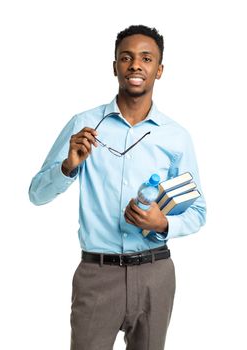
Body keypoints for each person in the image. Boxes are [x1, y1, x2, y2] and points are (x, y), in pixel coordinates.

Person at [29, 25, 206, 350]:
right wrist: (69, 167)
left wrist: (162, 223)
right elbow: (36, 194)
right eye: (126, 57)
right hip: (97, 275)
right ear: (115, 67)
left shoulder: (176, 137)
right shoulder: (84, 124)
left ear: (159, 69)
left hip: (156, 274)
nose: (136, 65)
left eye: (146, 58)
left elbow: (198, 212)